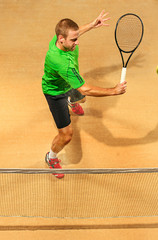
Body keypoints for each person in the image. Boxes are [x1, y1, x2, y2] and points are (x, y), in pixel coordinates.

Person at [42, 10, 127, 178]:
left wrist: (92, 25)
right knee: (66, 136)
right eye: (74, 40)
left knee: (82, 99)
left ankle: (72, 102)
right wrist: (113, 91)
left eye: (77, 37)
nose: (77, 42)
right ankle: (51, 157)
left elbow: (75, 31)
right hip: (55, 92)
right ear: (62, 39)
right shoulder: (61, 62)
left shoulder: (60, 37)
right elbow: (85, 88)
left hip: (70, 81)